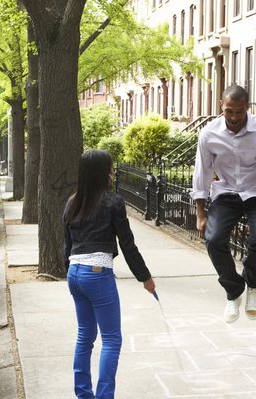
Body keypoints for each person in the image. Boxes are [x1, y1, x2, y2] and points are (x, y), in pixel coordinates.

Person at [63, 149, 156, 399]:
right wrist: (145, 277)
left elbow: (66, 244)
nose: (114, 171)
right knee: (112, 340)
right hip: (98, 274)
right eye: (111, 167)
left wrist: (71, 272)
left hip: (75, 273)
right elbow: (127, 243)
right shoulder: (113, 202)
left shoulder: (72, 202)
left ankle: (83, 394)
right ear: (106, 172)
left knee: (85, 336)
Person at [192, 84, 256, 323]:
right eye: (229, 111)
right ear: (221, 107)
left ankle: (252, 285)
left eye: (240, 112)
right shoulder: (208, 134)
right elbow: (201, 173)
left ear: (248, 108)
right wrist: (200, 213)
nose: (234, 117)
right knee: (213, 239)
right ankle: (234, 291)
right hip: (226, 192)